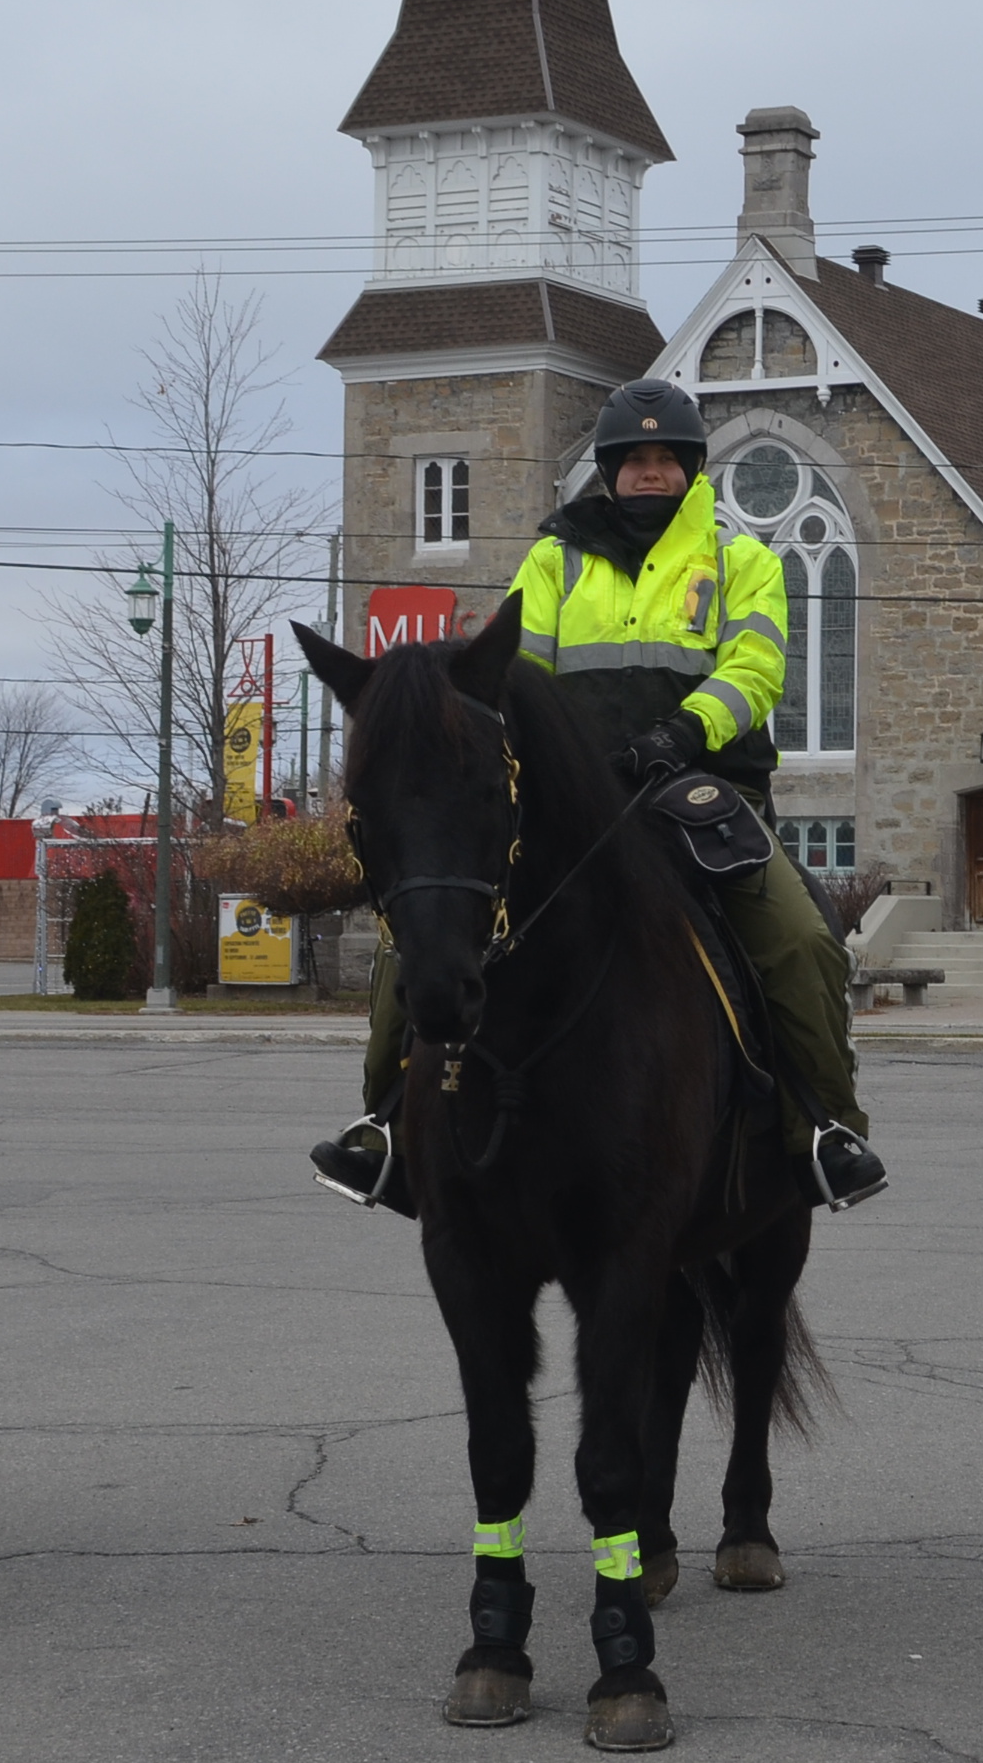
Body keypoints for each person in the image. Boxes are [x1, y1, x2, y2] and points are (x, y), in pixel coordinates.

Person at [313, 379, 885, 1210]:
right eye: (633, 459)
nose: (650, 472)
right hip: (574, 795)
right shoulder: (553, 560)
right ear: (610, 471)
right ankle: (387, 1127)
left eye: (667, 459)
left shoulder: (743, 561)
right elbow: (517, 674)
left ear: (691, 469)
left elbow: (757, 669)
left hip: (700, 786)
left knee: (800, 939)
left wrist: (681, 733)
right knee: (424, 930)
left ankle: (824, 1130)